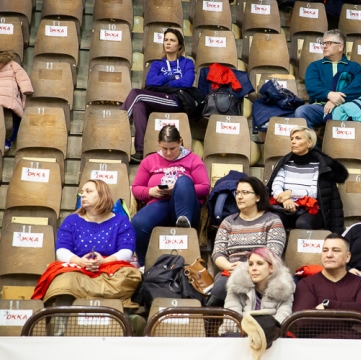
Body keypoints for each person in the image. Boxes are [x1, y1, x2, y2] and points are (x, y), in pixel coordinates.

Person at [33, 180, 140, 305]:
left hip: (110, 268)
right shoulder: (71, 220)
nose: (83, 195)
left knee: (128, 277)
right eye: (82, 192)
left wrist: (104, 261)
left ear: (102, 195)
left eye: (89, 191)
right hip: (78, 268)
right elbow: (62, 250)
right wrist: (80, 262)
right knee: (63, 282)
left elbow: (126, 251)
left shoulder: (121, 221)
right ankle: (62, 323)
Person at [131, 125, 210, 266]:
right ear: (158, 143)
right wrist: (151, 191)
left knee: (184, 181)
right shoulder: (149, 161)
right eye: (164, 148)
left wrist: (178, 188)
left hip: (187, 206)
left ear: (180, 141)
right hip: (159, 204)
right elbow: (136, 188)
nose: (168, 153)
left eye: (172, 148)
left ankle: (183, 223)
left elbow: (204, 187)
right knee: (138, 222)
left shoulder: (193, 159)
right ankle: (144, 264)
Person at [208, 177, 286, 307]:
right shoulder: (228, 222)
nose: (239, 197)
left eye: (245, 193)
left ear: (258, 197)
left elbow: (273, 254)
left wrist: (246, 267)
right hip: (231, 270)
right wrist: (228, 266)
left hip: (261, 271)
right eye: (237, 193)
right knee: (221, 286)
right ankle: (212, 323)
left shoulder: (272, 221)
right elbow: (218, 252)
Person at [121, 28, 194, 163]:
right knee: (138, 106)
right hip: (157, 100)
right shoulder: (157, 64)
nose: (168, 43)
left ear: (179, 45)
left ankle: (118, 127)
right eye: (166, 40)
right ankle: (140, 151)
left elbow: (187, 82)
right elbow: (150, 81)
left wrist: (162, 83)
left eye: (172, 40)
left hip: (175, 101)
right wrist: (172, 77)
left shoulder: (186, 63)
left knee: (136, 93)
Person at [266, 126, 348, 234]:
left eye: (298, 138)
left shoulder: (320, 165)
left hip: (311, 210)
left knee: (303, 223)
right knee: (273, 221)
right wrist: (285, 199)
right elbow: (276, 185)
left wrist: (290, 193)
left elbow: (314, 192)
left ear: (309, 143)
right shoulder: (284, 162)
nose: (293, 142)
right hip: (284, 206)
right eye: (292, 139)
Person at [292, 234, 361, 321]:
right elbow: (301, 322)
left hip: (353, 335)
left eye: (336, 250)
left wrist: (328, 306)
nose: (329, 255)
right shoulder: (307, 284)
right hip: (318, 335)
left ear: (347, 257)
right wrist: (351, 318)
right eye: (325, 250)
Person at [294, 30, 361, 129]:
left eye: (328, 43)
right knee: (301, 111)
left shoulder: (355, 67)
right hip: (321, 107)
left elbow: (358, 87)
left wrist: (334, 101)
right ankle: (311, 144)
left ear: (340, 46)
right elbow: (312, 87)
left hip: (347, 107)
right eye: (323, 43)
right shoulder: (315, 66)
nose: (324, 46)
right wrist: (329, 94)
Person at [219, 247, 295, 335]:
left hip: (270, 336)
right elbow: (230, 319)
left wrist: (263, 335)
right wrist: (250, 335)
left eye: (259, 263)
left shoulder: (284, 286)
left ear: (271, 268)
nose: (253, 268)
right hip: (239, 334)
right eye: (250, 264)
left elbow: (282, 318)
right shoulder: (237, 284)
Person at [0, 50, 33, 152]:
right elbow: (23, 77)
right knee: (16, 118)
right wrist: (27, 89)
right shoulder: (12, 64)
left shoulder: (12, 65)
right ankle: (8, 141)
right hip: (10, 97)